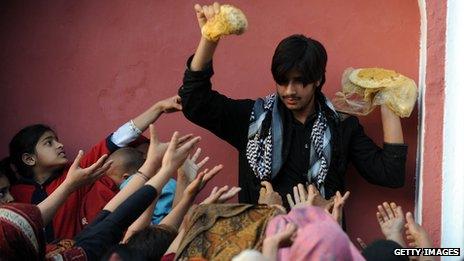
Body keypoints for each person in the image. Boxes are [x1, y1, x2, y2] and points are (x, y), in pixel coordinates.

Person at [179, 2, 408, 209]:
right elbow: (194, 102)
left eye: (300, 82)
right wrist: (209, 39)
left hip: (321, 247)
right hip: (263, 248)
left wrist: (387, 98)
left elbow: (390, 174)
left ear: (318, 80)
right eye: (282, 80)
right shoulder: (252, 119)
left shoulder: (341, 126)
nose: (289, 90)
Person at [7, 95, 182, 240]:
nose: (59, 145)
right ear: (29, 159)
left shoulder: (75, 172)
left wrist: (158, 108)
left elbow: (115, 139)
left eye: (57, 140)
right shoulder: (13, 194)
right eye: (49, 143)